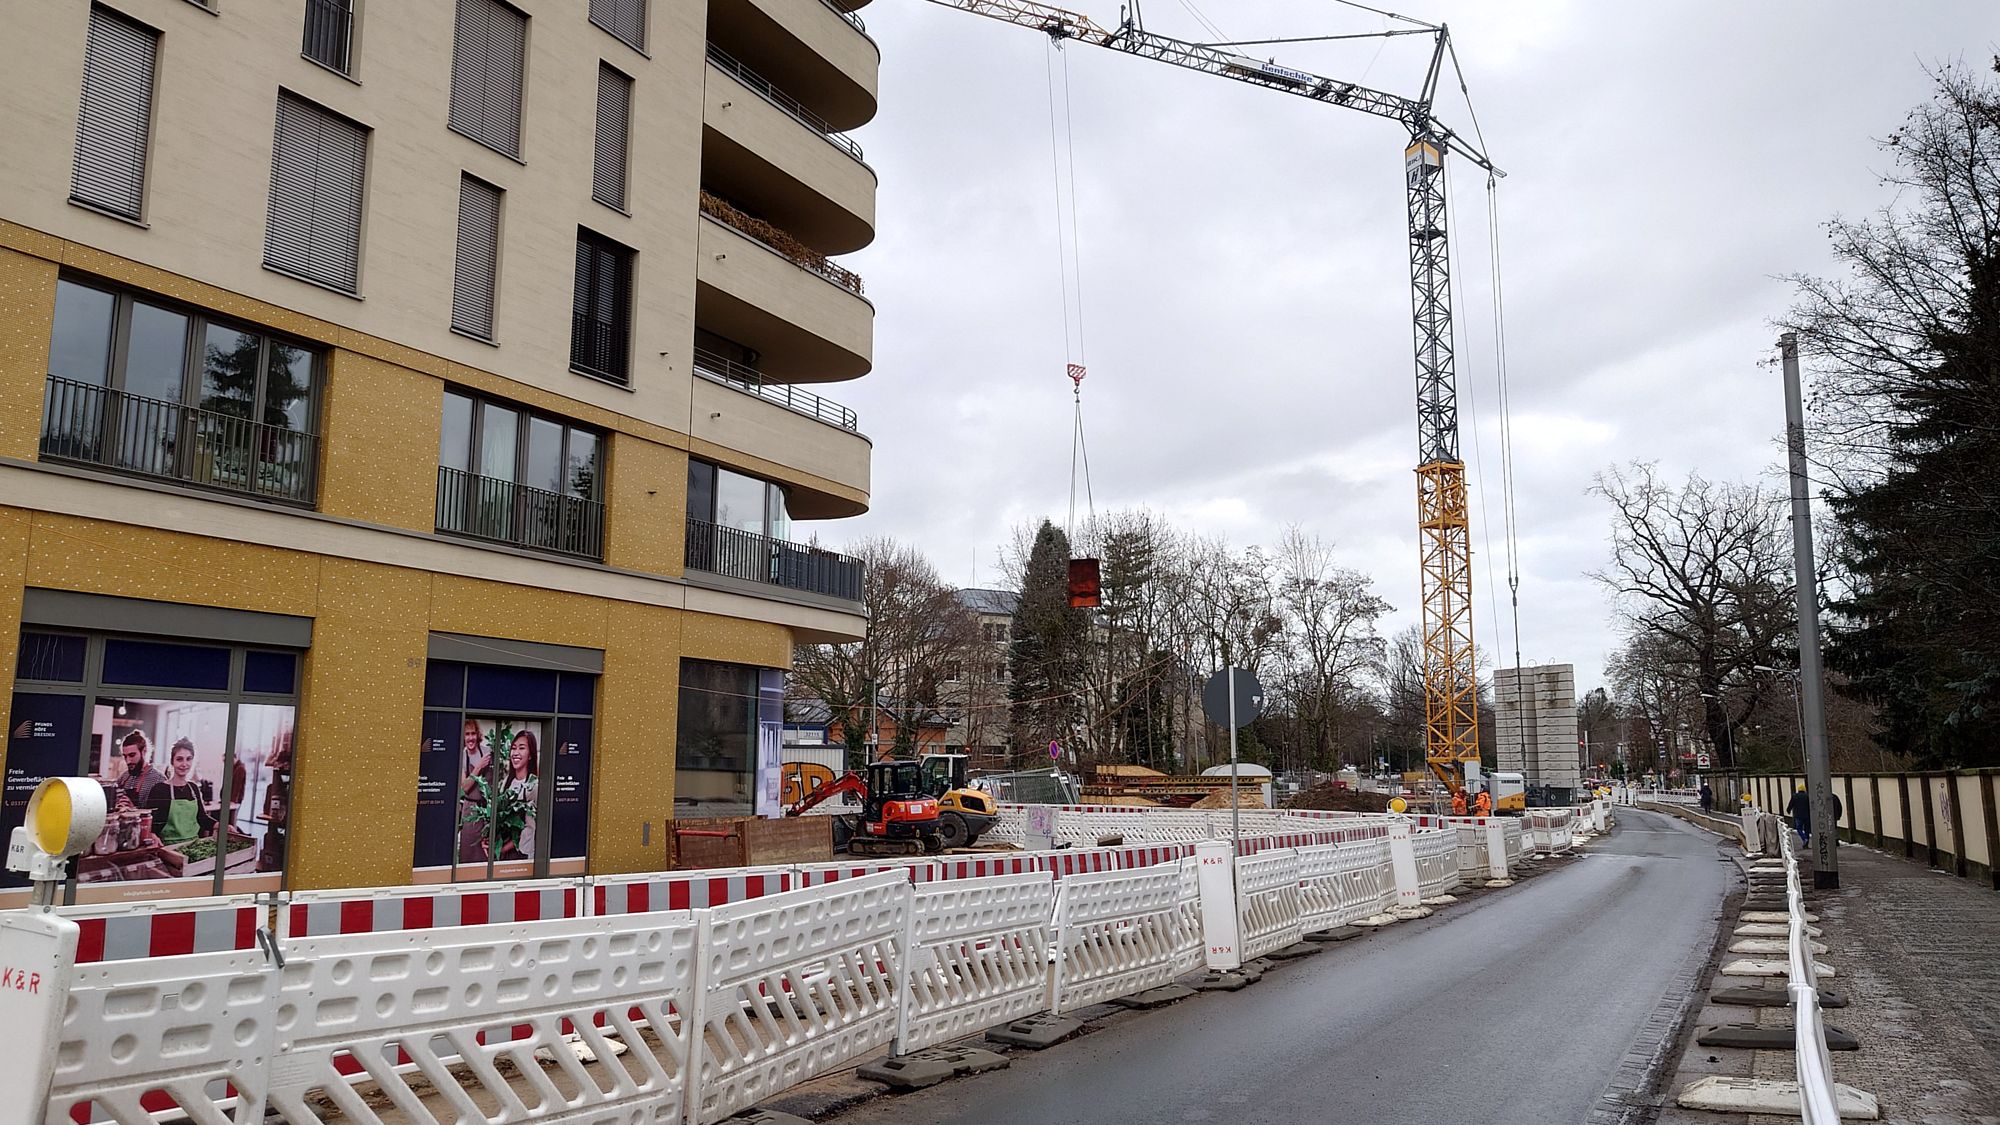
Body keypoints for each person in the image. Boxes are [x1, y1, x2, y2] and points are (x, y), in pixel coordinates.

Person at [158, 738, 218, 847]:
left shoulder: (193, 788)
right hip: (168, 847)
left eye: (189, 759)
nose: (184, 764)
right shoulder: (160, 789)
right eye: (179, 759)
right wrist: (153, 836)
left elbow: (202, 818)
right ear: (172, 761)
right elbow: (152, 825)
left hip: (193, 846)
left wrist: (220, 825)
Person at [457, 719, 492, 863]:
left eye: (473, 733)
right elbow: (464, 787)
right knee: (469, 851)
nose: (470, 737)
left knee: (486, 850)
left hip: (487, 808)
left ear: (478, 735)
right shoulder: (462, 757)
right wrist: (478, 767)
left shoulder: (488, 752)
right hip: (470, 810)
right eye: (467, 734)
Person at [501, 728, 539, 861]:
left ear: (530, 755)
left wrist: (505, 847)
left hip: (521, 854)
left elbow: (529, 827)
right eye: (514, 748)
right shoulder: (507, 782)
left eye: (521, 748)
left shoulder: (533, 786)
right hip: (503, 852)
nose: (515, 753)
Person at [113, 731, 167, 814]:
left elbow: (160, 817)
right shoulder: (124, 777)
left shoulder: (158, 780)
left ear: (144, 751)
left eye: (132, 755)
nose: (128, 761)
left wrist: (134, 810)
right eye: (125, 756)